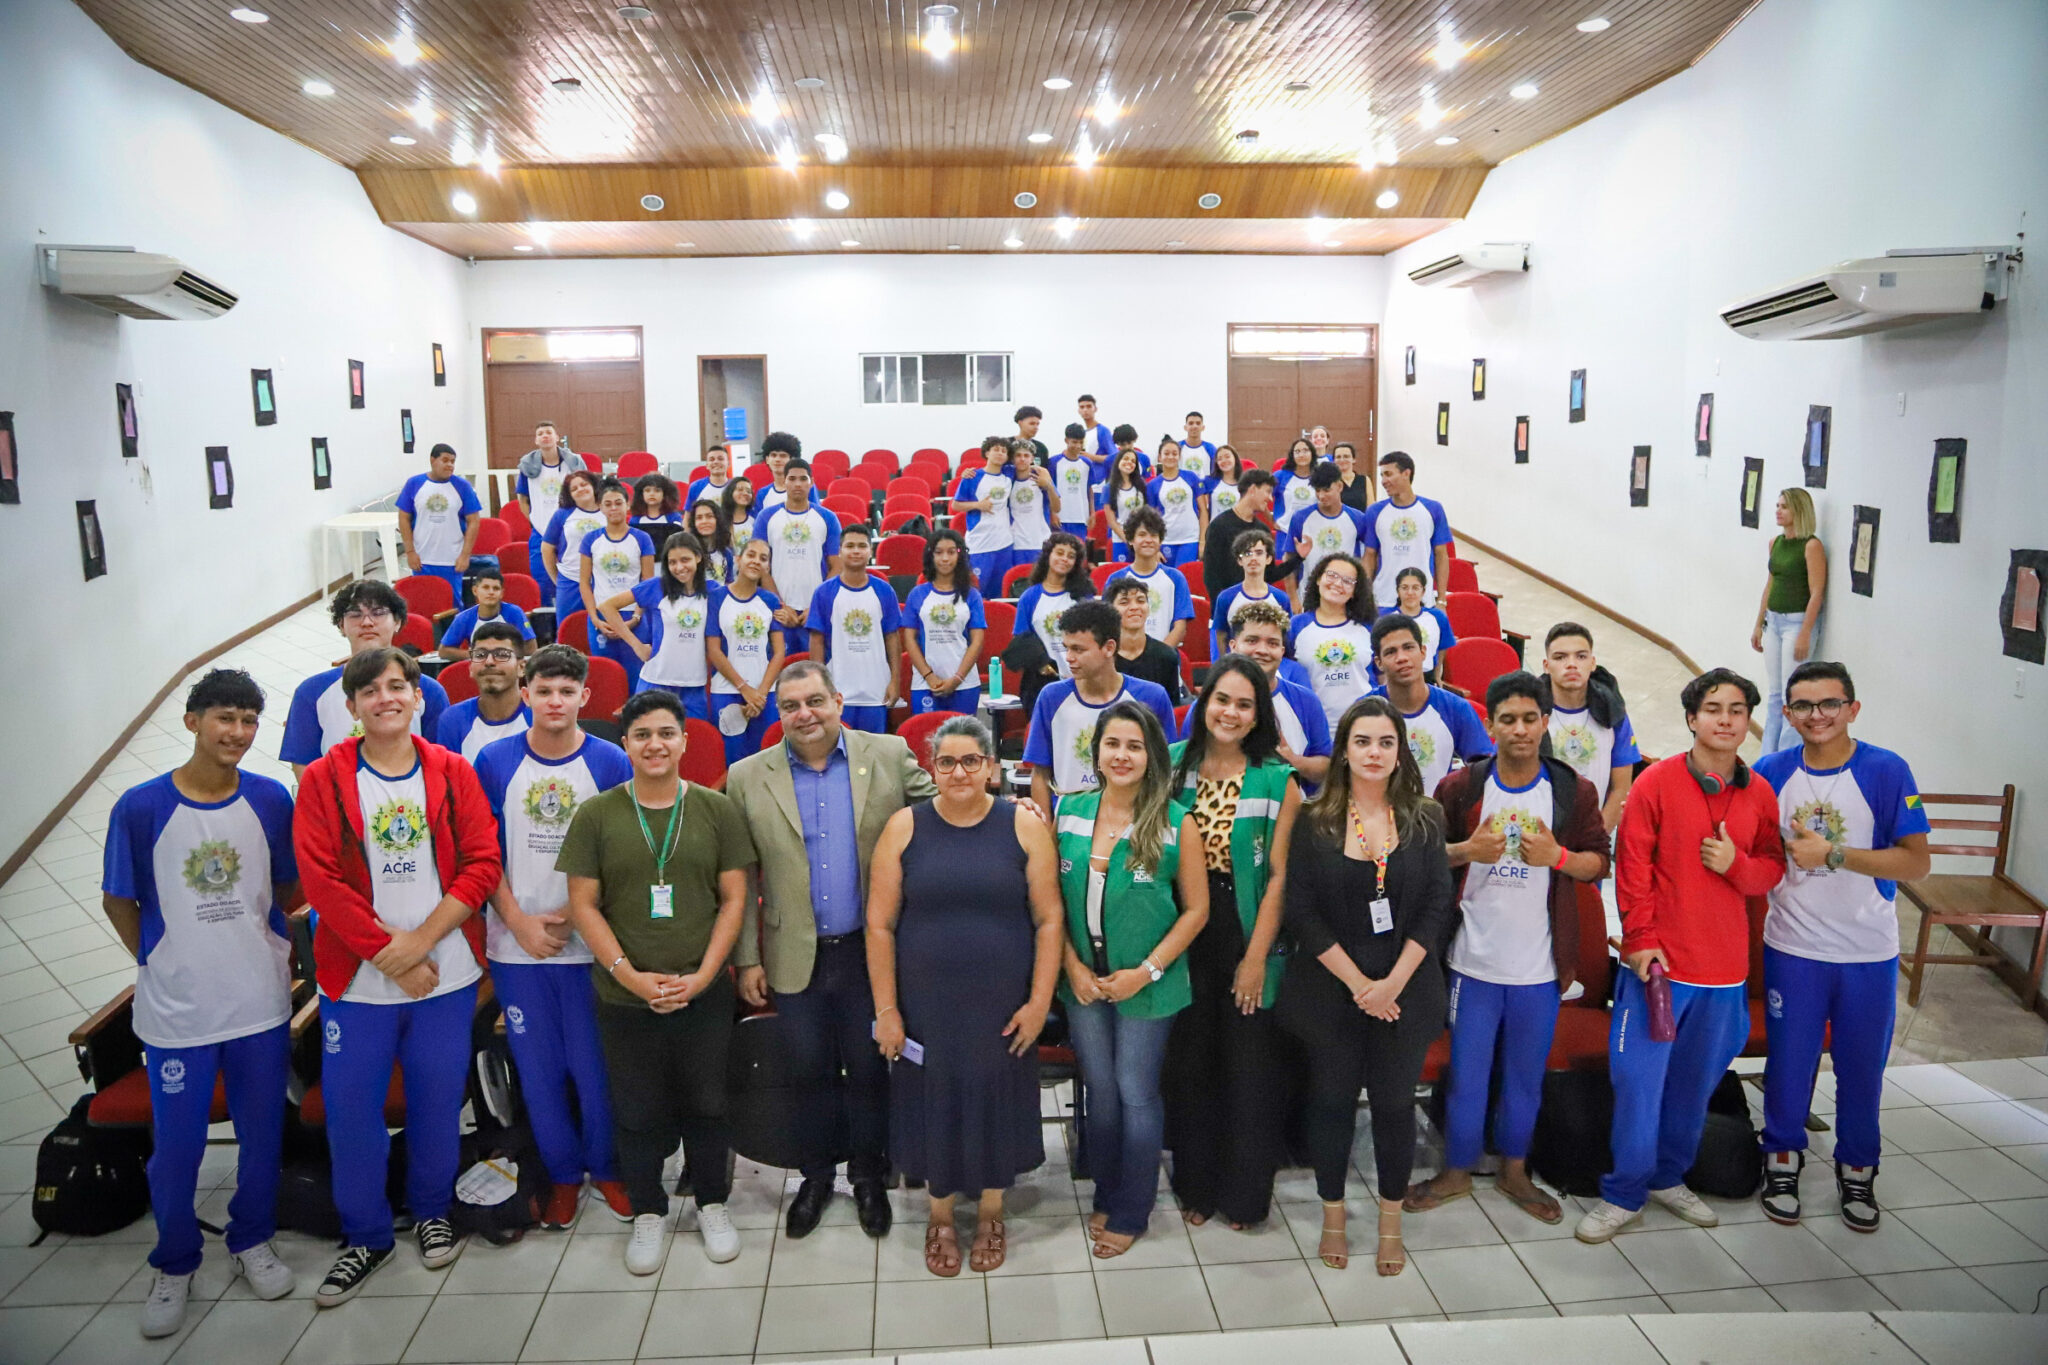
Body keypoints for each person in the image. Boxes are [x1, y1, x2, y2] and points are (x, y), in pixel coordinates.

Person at [294, 647, 502, 1305]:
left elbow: (482, 862)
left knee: (438, 1100)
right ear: (352, 705)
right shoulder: (325, 779)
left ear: (418, 697)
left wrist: (420, 943)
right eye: (370, 690)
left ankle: (433, 1207)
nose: (386, 697)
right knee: (354, 1110)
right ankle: (366, 1234)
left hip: (446, 971)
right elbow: (320, 877)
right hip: (358, 982)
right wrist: (389, 952)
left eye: (397, 686)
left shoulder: (451, 770)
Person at [105, 669, 301, 1339]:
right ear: (192, 720)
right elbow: (118, 898)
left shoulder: (272, 799)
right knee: (179, 1147)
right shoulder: (141, 806)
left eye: (249, 721)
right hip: (178, 1012)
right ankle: (176, 1259)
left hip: (259, 1002)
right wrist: (158, 958)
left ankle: (251, 1238)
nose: (238, 733)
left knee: (262, 1136)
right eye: (225, 718)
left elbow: (287, 888)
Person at [726, 663, 939, 1239]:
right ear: (779, 714)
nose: (805, 715)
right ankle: (816, 1178)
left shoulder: (889, 755)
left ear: (838, 701)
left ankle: (869, 1177)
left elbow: (948, 811)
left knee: (871, 1069)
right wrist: (746, 957)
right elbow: (740, 876)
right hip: (791, 951)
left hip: (872, 952)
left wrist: (1013, 814)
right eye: (791, 706)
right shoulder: (747, 776)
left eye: (815, 701)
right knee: (806, 1073)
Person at [1575, 668, 1787, 1243]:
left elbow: (1772, 865)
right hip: (1659, 968)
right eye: (1713, 708)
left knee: (1693, 1088)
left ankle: (1669, 1178)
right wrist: (1640, 938)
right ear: (1692, 719)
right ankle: (1624, 1192)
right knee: (1639, 1084)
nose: (1725, 719)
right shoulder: (1656, 784)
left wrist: (1737, 867)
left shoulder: (1760, 793)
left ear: (1748, 721)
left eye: (1737, 709)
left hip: (1724, 974)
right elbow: (1633, 867)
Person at [1406, 672, 1611, 1226]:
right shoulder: (1461, 789)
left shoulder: (1572, 791)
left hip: (1541, 969)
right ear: (1490, 725)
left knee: (1525, 1075)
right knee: (1468, 1076)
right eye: (1507, 719)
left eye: (1529, 718)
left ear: (1546, 723)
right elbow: (1423, 862)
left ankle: (1515, 1170)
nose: (1519, 730)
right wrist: (1467, 849)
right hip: (1471, 965)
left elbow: (1599, 861)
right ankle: (1455, 1170)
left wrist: (1560, 859)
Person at [561, 691, 754, 1273]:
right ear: (626, 744)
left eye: (666, 733)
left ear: (684, 742)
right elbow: (584, 906)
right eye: (642, 734)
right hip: (625, 995)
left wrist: (702, 976)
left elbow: (735, 898)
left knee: (708, 1100)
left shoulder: (717, 811)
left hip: (703, 990)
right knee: (637, 1108)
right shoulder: (597, 814)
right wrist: (631, 976)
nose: (655, 744)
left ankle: (713, 1203)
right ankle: (649, 1210)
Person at [867, 716, 1064, 1275]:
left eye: (970, 761)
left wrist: (1038, 1001)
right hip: (924, 1005)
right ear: (932, 769)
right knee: (929, 1099)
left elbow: (1049, 919)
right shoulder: (904, 827)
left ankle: (993, 1211)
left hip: (1004, 1003)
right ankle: (940, 1214)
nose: (959, 772)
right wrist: (886, 1009)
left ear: (992, 769)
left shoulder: (1023, 827)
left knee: (997, 1095)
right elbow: (879, 924)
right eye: (947, 762)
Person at [1275, 696, 1452, 1276]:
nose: (1374, 753)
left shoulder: (1426, 817)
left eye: (1385, 742)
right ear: (1343, 751)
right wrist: (1359, 985)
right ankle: (1332, 1216)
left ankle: (1391, 1222)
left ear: (1400, 751)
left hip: (1405, 989)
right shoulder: (1315, 817)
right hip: (1331, 987)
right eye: (1362, 742)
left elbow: (1434, 908)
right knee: (1331, 1104)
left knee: (1395, 1107)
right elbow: (1300, 912)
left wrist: (1392, 983)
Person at [1753, 661, 1929, 1230]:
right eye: (1803, 706)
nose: (1816, 716)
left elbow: (1917, 861)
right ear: (1787, 714)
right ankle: (1781, 1159)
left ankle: (1857, 1171)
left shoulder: (1885, 770)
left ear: (1852, 708)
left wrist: (1834, 855)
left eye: (1829, 704)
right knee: (1789, 1064)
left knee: (1860, 1068)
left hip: (1866, 952)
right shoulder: (1771, 771)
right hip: (1792, 947)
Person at [473, 647, 636, 1231]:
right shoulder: (493, 761)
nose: (555, 702)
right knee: (539, 1071)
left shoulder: (611, 761)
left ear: (585, 698)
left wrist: (578, 909)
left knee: (595, 1068)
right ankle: (564, 1176)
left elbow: (626, 850)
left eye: (567, 692)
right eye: (544, 691)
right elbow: (482, 854)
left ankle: (607, 1167)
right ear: (525, 693)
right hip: (518, 946)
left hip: (590, 943)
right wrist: (516, 919)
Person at [1055, 702, 1207, 1257]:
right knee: (1101, 1093)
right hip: (1082, 984)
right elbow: (1048, 902)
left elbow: (1196, 912)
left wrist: (1146, 973)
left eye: (1135, 746)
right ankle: (1108, 1186)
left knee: (1136, 1093)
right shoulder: (1068, 812)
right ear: (1095, 751)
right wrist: (1071, 966)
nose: (1122, 755)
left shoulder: (1175, 821)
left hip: (1149, 985)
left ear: (1153, 757)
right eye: (1112, 743)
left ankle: (1132, 1207)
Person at [1163, 659, 1302, 1229]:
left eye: (1245, 705)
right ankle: (1196, 1186)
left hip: (1247, 929)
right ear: (1203, 702)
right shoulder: (1173, 765)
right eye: (1222, 699)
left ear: (1258, 715)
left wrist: (1254, 959)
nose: (1230, 713)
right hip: (1181, 927)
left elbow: (1279, 877)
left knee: (1249, 1069)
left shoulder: (1276, 779)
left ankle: (1245, 1197)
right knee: (1192, 1063)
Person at [280, 580, 450, 779]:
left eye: (378, 613)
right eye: (355, 614)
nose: (367, 622)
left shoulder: (429, 691)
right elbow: (303, 765)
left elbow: (440, 760)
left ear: (397, 622)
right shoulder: (311, 692)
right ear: (341, 625)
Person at [1022, 602, 1176, 814]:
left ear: (1109, 648)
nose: (1069, 657)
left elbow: (1165, 771)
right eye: (1067, 648)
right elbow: (1040, 774)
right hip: (1068, 821)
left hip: (1133, 819)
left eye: (1079, 649)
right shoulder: (1051, 697)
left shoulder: (1152, 697)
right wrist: (1046, 833)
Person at [1367, 614, 1494, 794]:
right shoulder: (1364, 711)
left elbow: (1484, 772)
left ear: (1423, 652)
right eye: (1390, 652)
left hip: (1439, 818)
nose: (1401, 657)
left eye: (1408, 647)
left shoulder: (1456, 709)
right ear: (1379, 663)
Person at [1539, 622, 1638, 831]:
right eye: (1560, 657)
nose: (1572, 664)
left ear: (1593, 663)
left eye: (1581, 656)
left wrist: (1596, 840)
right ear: (1546, 666)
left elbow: (1621, 788)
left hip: (1593, 835)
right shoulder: (1531, 712)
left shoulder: (1614, 715)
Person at [1751, 487, 1829, 753]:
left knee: (1791, 694)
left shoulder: (1811, 546)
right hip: (1773, 623)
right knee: (1774, 694)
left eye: (1784, 506)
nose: (1778, 511)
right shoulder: (1776, 543)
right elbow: (1770, 584)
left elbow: (1817, 591)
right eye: (1777, 505)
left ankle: (1787, 755)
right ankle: (1766, 758)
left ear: (1799, 511)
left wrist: (1806, 632)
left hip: (1796, 625)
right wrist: (1758, 624)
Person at [604, 530, 714, 718]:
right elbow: (608, 607)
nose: (679, 567)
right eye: (672, 562)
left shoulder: (713, 591)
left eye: (685, 560)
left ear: (698, 557)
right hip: (656, 680)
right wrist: (636, 645)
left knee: (693, 742)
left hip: (694, 686)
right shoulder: (656, 586)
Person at [805, 524, 904, 732]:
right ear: (840, 551)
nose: (856, 551)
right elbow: (817, 641)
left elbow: (892, 639)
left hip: (877, 690)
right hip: (838, 690)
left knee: (872, 752)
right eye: (850, 546)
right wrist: (819, 685)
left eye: (862, 546)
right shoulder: (824, 593)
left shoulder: (884, 590)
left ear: (870, 551)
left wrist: (895, 680)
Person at [1220, 601, 1331, 786]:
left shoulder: (1306, 701)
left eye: (1272, 643)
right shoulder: (1211, 704)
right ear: (1233, 645)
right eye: (1252, 640)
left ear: (1282, 651)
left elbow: (1326, 767)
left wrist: (1294, 761)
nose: (1262, 650)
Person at [705, 537, 789, 762]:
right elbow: (714, 650)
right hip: (726, 691)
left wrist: (760, 693)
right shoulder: (716, 598)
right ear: (738, 559)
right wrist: (745, 689)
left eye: (763, 558)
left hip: (765, 694)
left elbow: (779, 652)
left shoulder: (770, 600)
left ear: (768, 567)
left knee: (766, 760)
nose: (756, 561)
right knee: (733, 762)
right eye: (751, 555)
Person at [754, 457, 841, 652]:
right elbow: (760, 567)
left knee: (817, 674)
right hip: (780, 611)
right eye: (792, 479)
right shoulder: (766, 517)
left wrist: (816, 606)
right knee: (782, 673)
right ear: (784, 481)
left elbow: (837, 565)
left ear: (811, 482)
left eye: (803, 479)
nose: (797, 484)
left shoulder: (827, 518)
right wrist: (780, 604)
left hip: (816, 610)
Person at [580, 477, 658, 691]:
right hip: (602, 620)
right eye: (608, 504)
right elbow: (585, 583)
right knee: (607, 681)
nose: (613, 508)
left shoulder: (642, 539)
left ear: (628, 505)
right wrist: (595, 619)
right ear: (599, 507)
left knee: (636, 678)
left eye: (618, 503)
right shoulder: (591, 540)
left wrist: (636, 617)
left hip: (634, 616)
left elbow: (648, 584)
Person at [904, 529, 987, 715]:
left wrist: (957, 679)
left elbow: (977, 640)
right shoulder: (917, 594)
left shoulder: (972, 595)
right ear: (931, 555)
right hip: (925, 684)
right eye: (939, 552)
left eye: (951, 552)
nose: (945, 558)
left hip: (964, 684)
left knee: (963, 741)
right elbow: (909, 639)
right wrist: (929, 676)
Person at [1290, 554, 1377, 727]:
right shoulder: (1296, 626)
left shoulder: (1368, 628)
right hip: (1313, 725)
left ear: (1355, 592)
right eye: (1332, 575)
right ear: (1318, 579)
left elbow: (1383, 678)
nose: (1338, 584)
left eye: (1347, 581)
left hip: (1364, 723)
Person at [1363, 451, 1453, 609]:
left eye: (1389, 474)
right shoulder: (1374, 512)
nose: (1384, 481)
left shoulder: (1433, 509)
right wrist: (1364, 597)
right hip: (1384, 599)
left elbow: (1441, 555)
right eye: (1382, 475)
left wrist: (1441, 599)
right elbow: (1370, 556)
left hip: (1422, 600)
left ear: (1406, 473)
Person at [397, 443, 483, 602]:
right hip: (422, 559)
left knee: (451, 603)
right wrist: (409, 552)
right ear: (432, 460)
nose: (450, 465)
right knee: (424, 601)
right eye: (445, 460)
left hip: (452, 559)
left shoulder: (462, 486)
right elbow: (403, 517)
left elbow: (474, 521)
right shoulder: (414, 484)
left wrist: (465, 555)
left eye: (453, 461)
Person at [435, 622, 532, 760]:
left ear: (521, 667)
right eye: (480, 655)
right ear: (470, 668)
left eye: (502, 654)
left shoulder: (540, 716)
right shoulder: (453, 720)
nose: (489, 662)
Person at [1105, 509, 1193, 648]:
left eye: (1153, 535)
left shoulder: (1175, 578)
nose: (1148, 540)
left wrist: (1159, 656)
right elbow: (1109, 624)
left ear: (1160, 541)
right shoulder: (1116, 579)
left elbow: (1180, 627)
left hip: (1164, 659)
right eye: (1142, 534)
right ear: (1131, 539)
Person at [1015, 532, 1094, 679]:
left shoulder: (1083, 596)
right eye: (1059, 553)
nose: (1064, 559)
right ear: (1048, 556)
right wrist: (1042, 665)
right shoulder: (1030, 597)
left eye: (1071, 556)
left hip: (1082, 678)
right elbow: (1021, 639)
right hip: (1041, 679)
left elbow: (1092, 637)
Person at [1289, 463, 1370, 595]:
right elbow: (1289, 558)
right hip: (1309, 593)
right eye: (1317, 490)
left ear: (1339, 486)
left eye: (1326, 490)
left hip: (1345, 593)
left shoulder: (1358, 518)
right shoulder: (1300, 518)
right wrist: (1292, 598)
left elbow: (1370, 554)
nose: (1321, 496)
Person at [516, 420, 574, 604]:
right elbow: (522, 499)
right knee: (542, 582)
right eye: (540, 433)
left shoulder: (573, 464)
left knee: (570, 578)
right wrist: (534, 521)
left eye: (549, 432)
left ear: (557, 437)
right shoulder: (527, 467)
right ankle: (548, 629)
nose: (545, 436)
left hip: (569, 532)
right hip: (540, 533)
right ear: (536, 440)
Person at [541, 469, 608, 624]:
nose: (580, 489)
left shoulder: (608, 511)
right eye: (574, 488)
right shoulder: (562, 515)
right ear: (569, 494)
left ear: (593, 486)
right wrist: (557, 579)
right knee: (567, 626)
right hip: (570, 579)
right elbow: (547, 548)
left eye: (584, 484)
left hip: (603, 580)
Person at [1200, 469, 1276, 602]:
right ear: (1253, 489)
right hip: (1228, 606)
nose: (1270, 498)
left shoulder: (1263, 530)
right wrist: (1224, 607)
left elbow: (1269, 574)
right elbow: (1211, 576)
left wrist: (1298, 558)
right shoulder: (1219, 526)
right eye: (1268, 491)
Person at [953, 437, 1015, 593]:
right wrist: (978, 505)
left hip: (1004, 544)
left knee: (1000, 594)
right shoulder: (973, 477)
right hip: (980, 545)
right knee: (976, 592)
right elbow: (955, 505)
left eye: (1004, 451)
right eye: (996, 449)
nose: (1000, 453)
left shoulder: (1009, 474)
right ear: (987, 452)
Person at [1372, 567, 1456, 682]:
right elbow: (1377, 650)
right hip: (1394, 677)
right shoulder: (1384, 617)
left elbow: (1442, 647)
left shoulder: (1437, 617)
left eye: (1415, 588)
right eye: (1404, 588)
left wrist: (1437, 675)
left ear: (1423, 591)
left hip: (1427, 677)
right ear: (1398, 591)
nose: (1410, 593)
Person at [1110, 577, 1185, 704]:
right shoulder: (1103, 657)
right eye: (1124, 602)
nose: (1134, 607)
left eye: (1140, 601)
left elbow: (1172, 710)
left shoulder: (1166, 656)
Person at [438, 566, 535, 660]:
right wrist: (475, 655)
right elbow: (443, 651)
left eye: (496, 588)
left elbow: (531, 648)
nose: (491, 592)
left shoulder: (515, 613)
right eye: (486, 587)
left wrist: (499, 655)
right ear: (475, 590)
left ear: (502, 593)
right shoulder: (464, 618)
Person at [1146, 441, 1207, 568]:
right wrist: (1155, 549)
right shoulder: (1153, 485)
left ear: (1179, 456)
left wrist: (1202, 541)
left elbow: (1203, 510)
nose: (1170, 457)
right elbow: (1150, 520)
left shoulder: (1191, 477)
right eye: (1166, 453)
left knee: (1184, 575)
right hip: (1166, 540)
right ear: (1159, 457)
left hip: (1190, 539)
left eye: (1174, 453)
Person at [1008, 440, 1057, 569]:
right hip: (1016, 543)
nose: (1022, 459)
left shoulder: (1041, 477)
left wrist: (1049, 487)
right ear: (1012, 459)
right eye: (1018, 455)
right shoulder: (1008, 480)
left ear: (1032, 459)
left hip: (1040, 541)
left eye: (1026, 455)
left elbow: (1057, 508)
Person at [1099, 435, 1149, 555]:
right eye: (1125, 459)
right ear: (1118, 462)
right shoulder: (1108, 488)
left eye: (1133, 461)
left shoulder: (1141, 486)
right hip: (1121, 540)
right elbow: (1112, 521)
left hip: (1142, 540)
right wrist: (1128, 540)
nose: (1129, 463)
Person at [1050, 423, 1100, 537]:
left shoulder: (1087, 463)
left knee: (1078, 552)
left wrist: (1092, 512)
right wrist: (1052, 513)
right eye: (1074, 442)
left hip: (1081, 517)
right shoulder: (1054, 462)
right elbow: (1049, 490)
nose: (1078, 446)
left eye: (1081, 442)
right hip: (1061, 518)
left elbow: (1089, 490)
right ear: (1066, 440)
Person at [690, 498, 737, 587]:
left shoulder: (727, 553)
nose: (704, 521)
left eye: (709, 516)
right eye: (699, 518)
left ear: (718, 520)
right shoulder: (689, 552)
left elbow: (729, 584)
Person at [1274, 437, 1320, 523]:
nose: (1301, 455)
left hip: (1311, 531)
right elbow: (1261, 497)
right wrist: (1272, 521)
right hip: (1285, 532)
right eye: (1297, 452)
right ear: (1292, 455)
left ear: (1312, 453)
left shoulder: (1319, 477)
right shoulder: (1280, 476)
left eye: (1305, 450)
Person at [755, 431, 802, 514]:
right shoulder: (763, 493)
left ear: (793, 460)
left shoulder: (805, 488)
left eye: (783, 456)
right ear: (767, 460)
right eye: (773, 455)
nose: (777, 459)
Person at [629, 472, 684, 542]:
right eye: (647, 490)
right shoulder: (635, 520)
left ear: (665, 494)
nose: (652, 494)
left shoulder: (674, 518)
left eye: (657, 490)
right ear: (641, 494)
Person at [685, 443, 734, 509]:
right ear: (707, 465)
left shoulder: (736, 486)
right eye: (711, 459)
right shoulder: (696, 487)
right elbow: (688, 516)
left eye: (720, 459)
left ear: (728, 463)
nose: (716, 462)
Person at [1205, 444, 1247, 521]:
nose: (1224, 461)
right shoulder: (1209, 481)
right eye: (1220, 459)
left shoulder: (1245, 483)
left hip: (1238, 530)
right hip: (1214, 530)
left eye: (1227, 457)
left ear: (1235, 459)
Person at [1333, 442, 1374, 512]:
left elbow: (1371, 507)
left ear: (1354, 459)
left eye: (1346, 456)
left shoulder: (1365, 480)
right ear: (1334, 461)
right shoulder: (1331, 481)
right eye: (1338, 457)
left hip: (1361, 522)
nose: (1342, 460)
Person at [1076, 394, 1115, 464]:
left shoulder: (1102, 431)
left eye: (1089, 406)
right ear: (1078, 410)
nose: (1085, 410)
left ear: (1095, 409)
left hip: (1101, 474)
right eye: (1082, 407)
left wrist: (1091, 457)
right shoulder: (1082, 433)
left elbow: (1114, 456)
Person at [1178, 411, 1217, 480]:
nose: (1194, 426)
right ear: (1185, 427)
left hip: (1204, 489)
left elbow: (1215, 473)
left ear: (1203, 427)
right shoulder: (1178, 447)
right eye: (1191, 423)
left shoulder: (1210, 448)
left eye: (1198, 423)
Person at [718, 473, 758, 539]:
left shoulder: (756, 518)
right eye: (740, 490)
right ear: (730, 493)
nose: (745, 493)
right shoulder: (720, 519)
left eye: (748, 491)